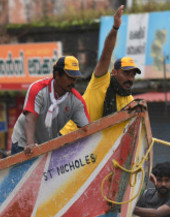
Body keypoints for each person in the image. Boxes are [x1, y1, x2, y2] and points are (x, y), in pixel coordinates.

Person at [59, 6, 139, 136]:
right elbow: (106, 55)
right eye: (126, 73)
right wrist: (115, 28)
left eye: (133, 75)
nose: (130, 78)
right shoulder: (101, 81)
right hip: (69, 138)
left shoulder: (130, 102)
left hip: (93, 148)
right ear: (114, 72)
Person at [11, 55, 90, 155]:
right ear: (57, 74)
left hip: (48, 146)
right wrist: (30, 144)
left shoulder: (77, 101)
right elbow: (30, 118)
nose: (73, 82)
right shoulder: (37, 89)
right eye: (69, 78)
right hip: (23, 144)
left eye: (75, 79)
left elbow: (86, 129)